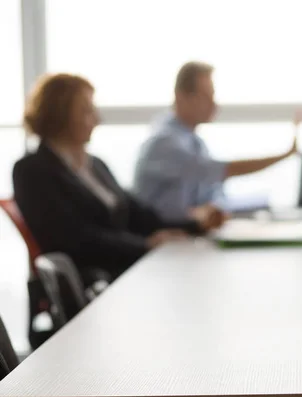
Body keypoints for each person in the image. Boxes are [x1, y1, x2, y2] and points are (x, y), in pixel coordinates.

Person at [14, 73, 226, 285]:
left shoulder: (94, 164)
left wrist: (194, 225)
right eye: (87, 111)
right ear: (59, 114)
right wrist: (144, 245)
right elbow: (75, 238)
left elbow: (135, 212)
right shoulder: (32, 170)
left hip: (125, 267)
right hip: (95, 278)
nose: (97, 119)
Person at [133, 61, 299, 221]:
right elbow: (225, 170)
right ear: (181, 97)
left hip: (186, 236)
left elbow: (214, 193)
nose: (214, 105)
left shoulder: (195, 142)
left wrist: (212, 207)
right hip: (160, 237)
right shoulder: (165, 143)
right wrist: (286, 154)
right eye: (206, 96)